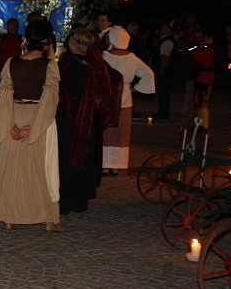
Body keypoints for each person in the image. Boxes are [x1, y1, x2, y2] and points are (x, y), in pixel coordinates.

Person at [0, 20, 61, 233]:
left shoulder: (12, 62)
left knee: (12, 166)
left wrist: (9, 123)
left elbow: (4, 94)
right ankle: (47, 216)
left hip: (15, 113)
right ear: (47, 41)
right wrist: (34, 126)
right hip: (39, 116)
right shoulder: (50, 65)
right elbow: (50, 99)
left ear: (26, 40)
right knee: (41, 168)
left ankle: (10, 216)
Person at [58, 27, 121, 215]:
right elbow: (113, 83)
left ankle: (66, 200)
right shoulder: (97, 66)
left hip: (69, 119)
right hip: (88, 120)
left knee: (67, 158)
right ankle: (80, 200)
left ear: (73, 43)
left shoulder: (67, 63)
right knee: (83, 157)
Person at [101, 26, 155, 175]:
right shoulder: (131, 58)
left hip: (108, 97)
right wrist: (133, 88)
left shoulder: (104, 55)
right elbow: (148, 74)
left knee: (107, 130)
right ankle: (116, 165)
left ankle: (105, 164)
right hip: (124, 97)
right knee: (121, 131)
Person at [149, 21, 178, 120]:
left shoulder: (167, 41)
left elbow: (165, 57)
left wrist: (162, 70)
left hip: (164, 72)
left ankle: (163, 113)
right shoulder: (166, 40)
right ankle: (162, 112)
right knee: (162, 93)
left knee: (163, 93)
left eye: (162, 29)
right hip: (164, 72)